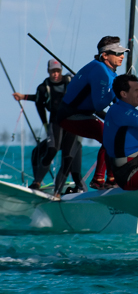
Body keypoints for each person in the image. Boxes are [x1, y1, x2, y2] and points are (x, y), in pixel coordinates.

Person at [56, 36, 125, 189]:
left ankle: (109, 179)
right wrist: (116, 89)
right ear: (105, 55)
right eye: (117, 53)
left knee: (113, 135)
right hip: (70, 116)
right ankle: (103, 180)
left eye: (122, 53)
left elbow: (116, 102)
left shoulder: (110, 73)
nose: (122, 56)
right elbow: (99, 104)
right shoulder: (99, 70)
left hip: (83, 115)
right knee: (109, 137)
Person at [12, 59, 86, 195]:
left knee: (68, 156)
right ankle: (37, 182)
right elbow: (39, 102)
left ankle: (60, 191)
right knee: (51, 150)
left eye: (58, 71)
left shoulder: (71, 82)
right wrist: (24, 97)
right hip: (55, 122)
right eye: (53, 71)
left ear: (61, 71)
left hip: (72, 122)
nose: (55, 74)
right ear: (48, 71)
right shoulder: (43, 87)